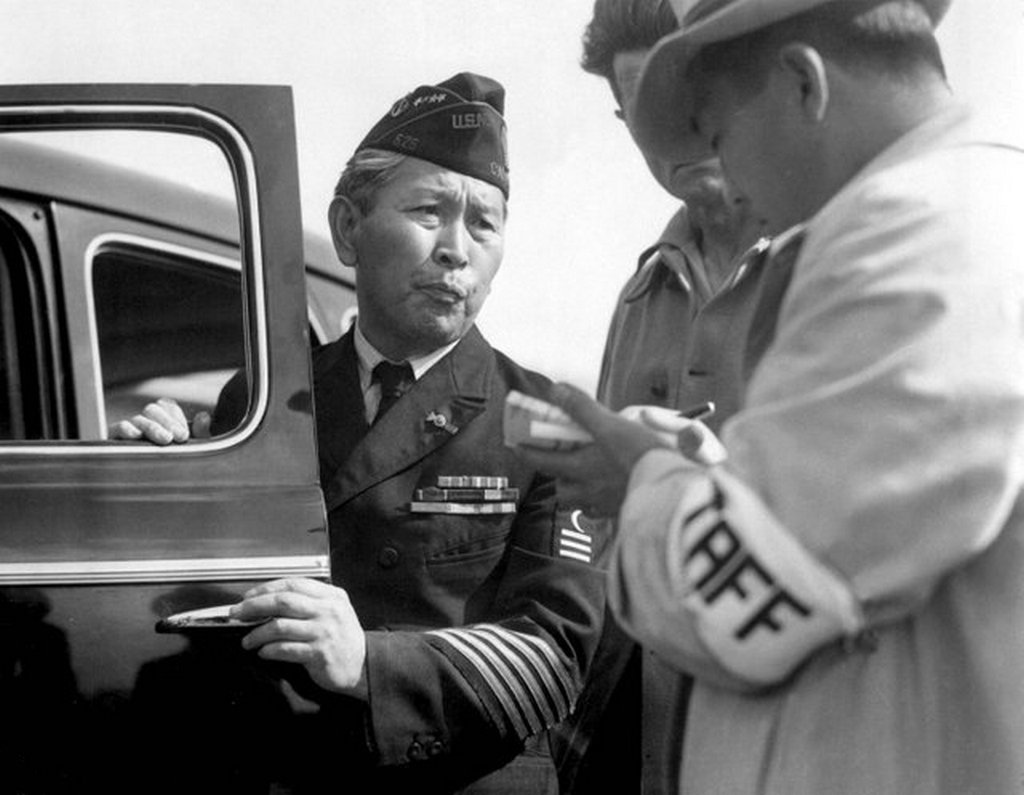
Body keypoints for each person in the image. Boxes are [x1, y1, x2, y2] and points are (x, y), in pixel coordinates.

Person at [519, 1, 1024, 793]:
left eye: (718, 135)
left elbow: (744, 604)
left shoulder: (915, 237)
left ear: (802, 84)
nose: (725, 176)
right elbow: (845, 536)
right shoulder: (964, 210)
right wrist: (699, 475)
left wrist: (643, 486)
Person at [111, 72, 606, 794]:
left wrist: (370, 662)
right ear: (349, 229)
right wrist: (154, 479)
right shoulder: (259, 399)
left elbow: (553, 658)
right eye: (430, 210)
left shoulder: (547, 421)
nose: (456, 250)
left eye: (483, 223)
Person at [551, 1, 768, 792]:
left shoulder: (839, 264)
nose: (673, 132)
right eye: (644, 108)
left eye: (690, 97)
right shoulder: (643, 295)